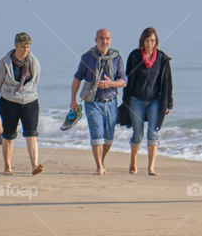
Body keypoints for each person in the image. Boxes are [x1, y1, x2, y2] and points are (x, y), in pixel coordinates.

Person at [70, 28, 126, 175]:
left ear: (110, 40)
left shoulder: (117, 57)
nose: (104, 41)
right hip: (92, 102)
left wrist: (111, 84)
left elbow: (123, 81)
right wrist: (73, 100)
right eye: (101, 38)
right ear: (96, 40)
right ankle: (99, 166)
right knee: (97, 134)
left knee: (109, 138)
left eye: (107, 38)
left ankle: (101, 161)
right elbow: (77, 78)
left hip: (111, 102)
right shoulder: (87, 57)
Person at [122, 27, 173, 175]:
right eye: (148, 40)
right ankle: (133, 162)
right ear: (142, 41)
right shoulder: (134, 56)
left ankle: (151, 167)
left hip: (155, 101)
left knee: (153, 132)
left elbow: (168, 82)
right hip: (136, 100)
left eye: (153, 41)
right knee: (137, 133)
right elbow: (127, 79)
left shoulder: (162, 58)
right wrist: (125, 101)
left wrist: (169, 103)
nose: (150, 43)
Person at [0, 32, 44, 175]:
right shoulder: (5, 63)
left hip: (30, 101)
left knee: (31, 134)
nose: (26, 50)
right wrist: (9, 94)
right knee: (8, 135)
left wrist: (26, 93)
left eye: (28, 47)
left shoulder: (34, 62)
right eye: (23, 47)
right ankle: (7, 167)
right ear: (16, 46)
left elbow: (36, 80)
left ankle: (34, 166)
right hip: (9, 102)